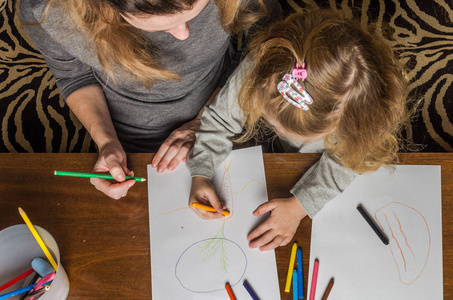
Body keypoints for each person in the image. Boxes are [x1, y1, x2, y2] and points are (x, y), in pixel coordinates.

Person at [187, 9, 409, 251]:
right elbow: (219, 119)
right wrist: (201, 171)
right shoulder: (260, 69)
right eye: (273, 123)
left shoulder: (364, 114)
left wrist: (299, 206)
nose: (279, 132)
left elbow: (351, 161)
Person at [19, 0, 280, 199]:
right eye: (164, 26)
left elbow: (264, 46)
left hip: (229, 108)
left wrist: (208, 121)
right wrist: (107, 141)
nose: (183, 34)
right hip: (130, 137)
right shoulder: (47, 9)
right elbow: (73, 76)